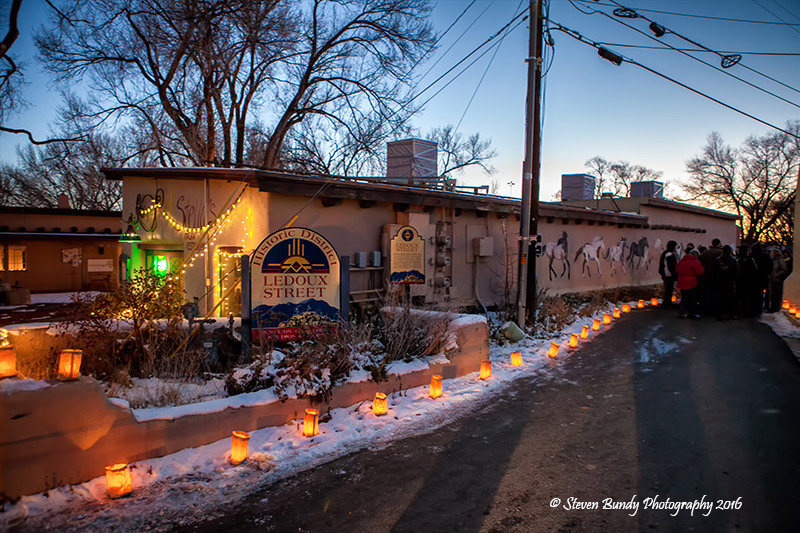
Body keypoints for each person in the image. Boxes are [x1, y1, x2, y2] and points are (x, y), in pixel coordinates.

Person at [676, 249, 704, 318]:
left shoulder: (681, 261)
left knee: (684, 298)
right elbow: (700, 272)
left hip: (682, 282)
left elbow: (677, 270)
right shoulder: (696, 262)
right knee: (692, 298)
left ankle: (682, 313)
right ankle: (693, 313)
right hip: (691, 282)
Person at [699, 238, 723, 315]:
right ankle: (714, 310)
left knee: (707, 293)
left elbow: (700, 262)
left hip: (705, 276)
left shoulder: (705, 252)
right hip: (716, 276)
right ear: (718, 244)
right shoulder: (720, 252)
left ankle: (706, 309)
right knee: (715, 294)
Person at [716, 245, 739, 320]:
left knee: (720, 298)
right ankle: (731, 314)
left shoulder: (718, 260)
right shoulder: (733, 260)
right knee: (730, 298)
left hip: (719, 281)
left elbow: (714, 271)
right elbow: (736, 272)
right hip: (729, 281)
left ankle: (719, 314)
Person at [750, 243, 772, 315]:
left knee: (753, 295)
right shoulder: (765, 256)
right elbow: (770, 267)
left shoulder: (752, 256)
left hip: (753, 278)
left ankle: (752, 309)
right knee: (760, 295)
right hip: (762, 278)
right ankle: (758, 309)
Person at [736, 245, 758, 317]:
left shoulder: (737, 259)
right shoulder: (750, 259)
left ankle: (740, 311)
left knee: (739, 296)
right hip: (748, 281)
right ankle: (747, 311)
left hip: (739, 280)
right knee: (747, 297)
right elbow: (755, 270)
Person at [658, 240, 678, 306]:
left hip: (665, 273)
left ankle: (667, 302)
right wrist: (674, 274)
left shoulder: (665, 253)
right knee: (669, 289)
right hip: (668, 274)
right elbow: (671, 266)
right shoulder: (669, 254)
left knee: (668, 288)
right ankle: (667, 302)